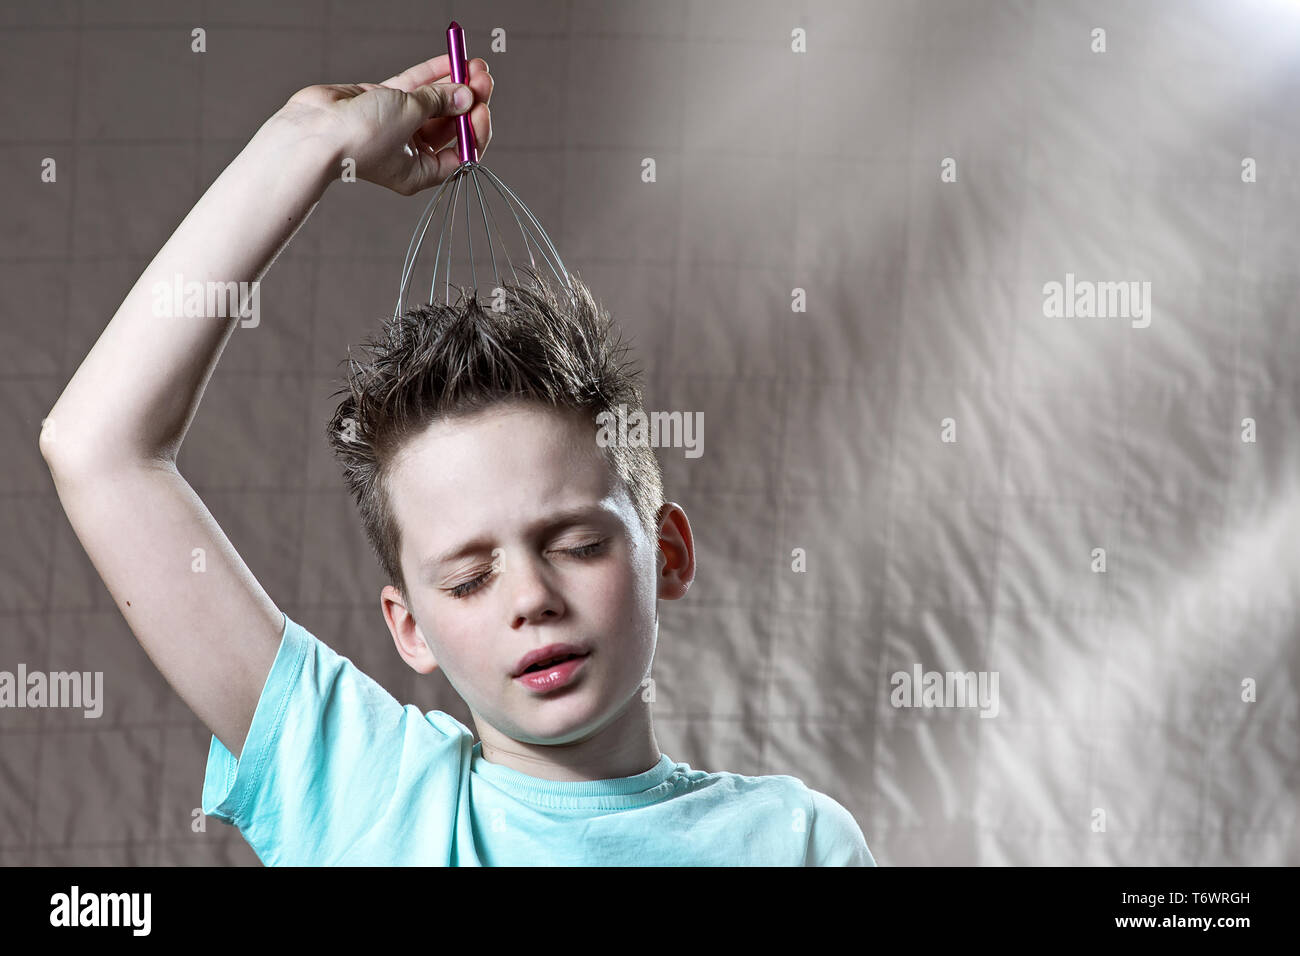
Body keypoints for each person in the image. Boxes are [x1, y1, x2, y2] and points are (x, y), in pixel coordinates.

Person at [39, 53, 875, 866]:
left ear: (667, 551)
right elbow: (97, 450)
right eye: (470, 578)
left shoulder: (794, 840)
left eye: (578, 544)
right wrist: (308, 140)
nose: (532, 600)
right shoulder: (366, 792)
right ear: (410, 628)